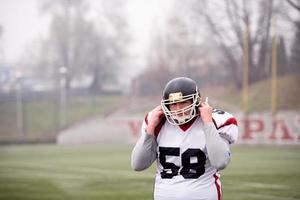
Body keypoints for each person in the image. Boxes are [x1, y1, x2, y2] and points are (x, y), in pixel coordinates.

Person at [131, 77, 238, 200]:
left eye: (183, 102)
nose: (178, 109)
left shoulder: (216, 120)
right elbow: (137, 164)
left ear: (196, 101)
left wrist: (208, 123)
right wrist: (150, 129)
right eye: (173, 104)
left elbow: (220, 161)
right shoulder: (157, 122)